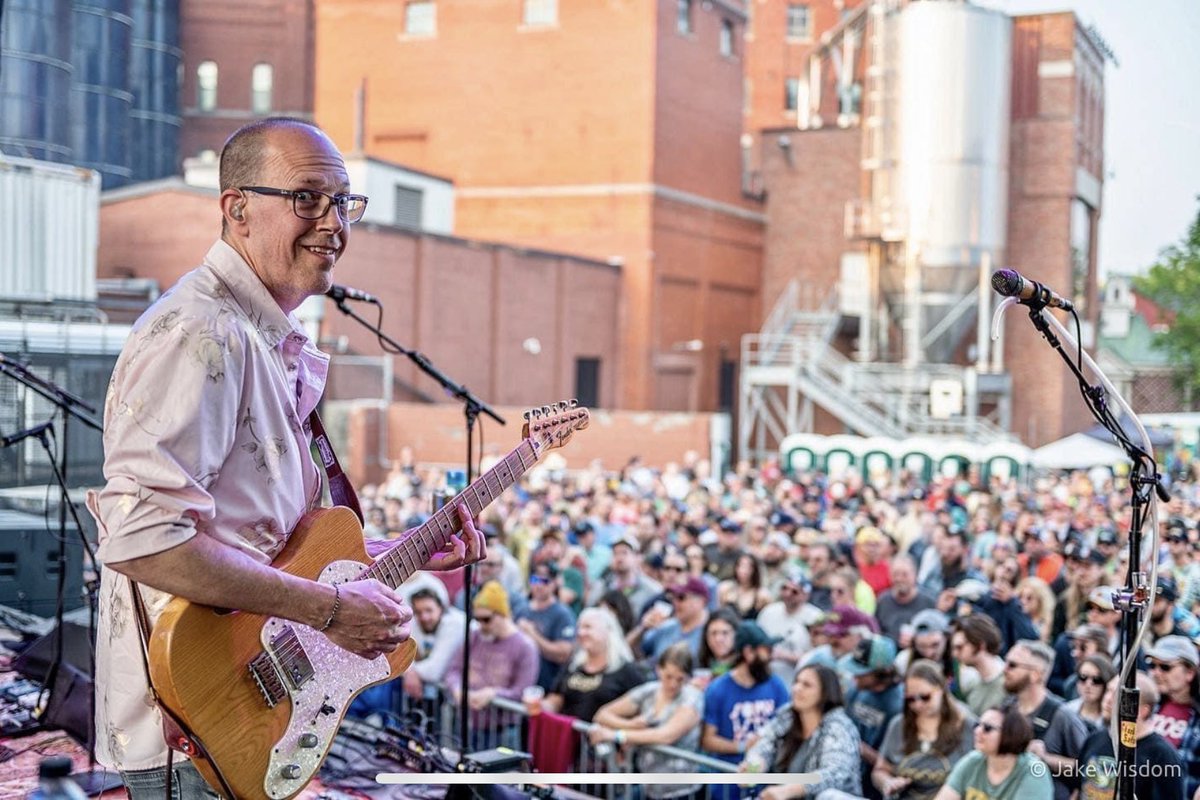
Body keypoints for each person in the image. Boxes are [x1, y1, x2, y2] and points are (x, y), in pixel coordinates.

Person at [88, 117, 486, 798]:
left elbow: (264, 539)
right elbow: (144, 539)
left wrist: (400, 549)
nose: (334, 223)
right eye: (307, 198)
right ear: (236, 209)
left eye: (344, 202)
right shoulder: (200, 333)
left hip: (243, 714)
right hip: (193, 725)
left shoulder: (262, 338)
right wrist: (329, 608)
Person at [589, 643, 704, 800]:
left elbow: (665, 736)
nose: (673, 684)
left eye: (680, 679)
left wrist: (616, 735)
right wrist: (631, 725)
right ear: (659, 670)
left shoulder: (692, 698)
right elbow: (602, 714)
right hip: (649, 786)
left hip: (681, 790)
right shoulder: (649, 691)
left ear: (689, 677)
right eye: (668, 676)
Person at [744, 663, 862, 800]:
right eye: (796, 682)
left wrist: (791, 789)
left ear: (825, 692)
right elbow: (765, 743)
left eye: (807, 685)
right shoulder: (787, 715)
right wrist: (755, 765)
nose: (797, 688)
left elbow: (835, 773)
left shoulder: (839, 727)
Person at [872, 660, 976, 800]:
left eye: (925, 697)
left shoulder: (967, 725)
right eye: (911, 699)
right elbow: (880, 770)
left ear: (941, 689)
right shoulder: (898, 725)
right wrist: (888, 782)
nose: (918, 704)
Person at [1074, 671, 1186, 800]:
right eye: (1108, 691)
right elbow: (1077, 790)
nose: (1108, 700)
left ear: (1142, 711)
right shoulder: (1094, 739)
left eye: (1118, 696)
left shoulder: (1163, 755)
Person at [1002, 639, 1088, 800]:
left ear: (1036, 674)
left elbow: (1088, 768)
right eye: (1006, 662)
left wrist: (1046, 758)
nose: (1004, 669)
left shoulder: (1063, 716)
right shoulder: (1007, 708)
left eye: (1012, 665)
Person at [701, 621, 791, 767]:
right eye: (766, 650)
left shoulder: (776, 684)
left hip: (765, 778)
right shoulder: (718, 689)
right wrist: (743, 746)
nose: (771, 656)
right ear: (749, 652)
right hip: (728, 779)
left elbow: (787, 725)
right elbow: (708, 740)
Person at [541, 606, 646, 722]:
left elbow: (642, 706)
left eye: (587, 627)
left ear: (608, 631)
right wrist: (542, 706)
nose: (581, 633)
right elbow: (557, 697)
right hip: (567, 736)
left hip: (603, 737)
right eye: (579, 627)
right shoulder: (573, 665)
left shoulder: (627, 671)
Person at [933, 704, 1053, 800]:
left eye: (987, 728)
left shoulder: (1034, 771)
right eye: (977, 725)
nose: (977, 731)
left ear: (1011, 733)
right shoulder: (972, 761)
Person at [1145, 634, 1200, 799]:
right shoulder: (1149, 706)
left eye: (1165, 667)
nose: (1156, 672)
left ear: (1189, 673)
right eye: (1152, 665)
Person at [515, 560, 576, 690]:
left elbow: (563, 654)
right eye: (535, 580)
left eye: (545, 581)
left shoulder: (563, 614)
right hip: (520, 682)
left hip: (546, 686)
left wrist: (533, 635)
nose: (539, 586)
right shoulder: (521, 610)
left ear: (554, 583)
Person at [1063, 653, 1115, 731]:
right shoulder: (1066, 711)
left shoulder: (1112, 716)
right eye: (1083, 677)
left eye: (1096, 680)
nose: (1088, 684)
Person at [716, 553, 772, 619]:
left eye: (749, 567)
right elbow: (717, 613)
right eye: (741, 566)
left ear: (755, 570)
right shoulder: (725, 588)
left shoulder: (763, 595)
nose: (744, 570)